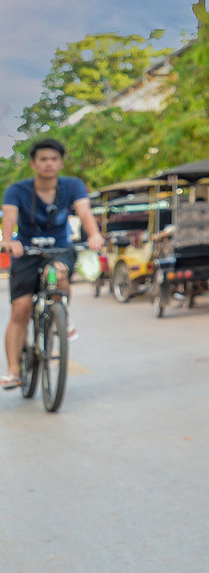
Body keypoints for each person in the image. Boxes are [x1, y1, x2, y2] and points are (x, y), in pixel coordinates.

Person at [3, 138, 102, 388]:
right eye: (43, 159)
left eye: (54, 159)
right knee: (20, 310)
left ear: (61, 162)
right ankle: (14, 369)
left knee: (56, 274)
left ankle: (62, 316)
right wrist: (8, 241)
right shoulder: (17, 190)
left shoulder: (73, 186)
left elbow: (85, 213)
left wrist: (94, 235)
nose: (49, 164)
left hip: (60, 249)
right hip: (25, 252)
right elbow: (10, 218)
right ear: (33, 164)